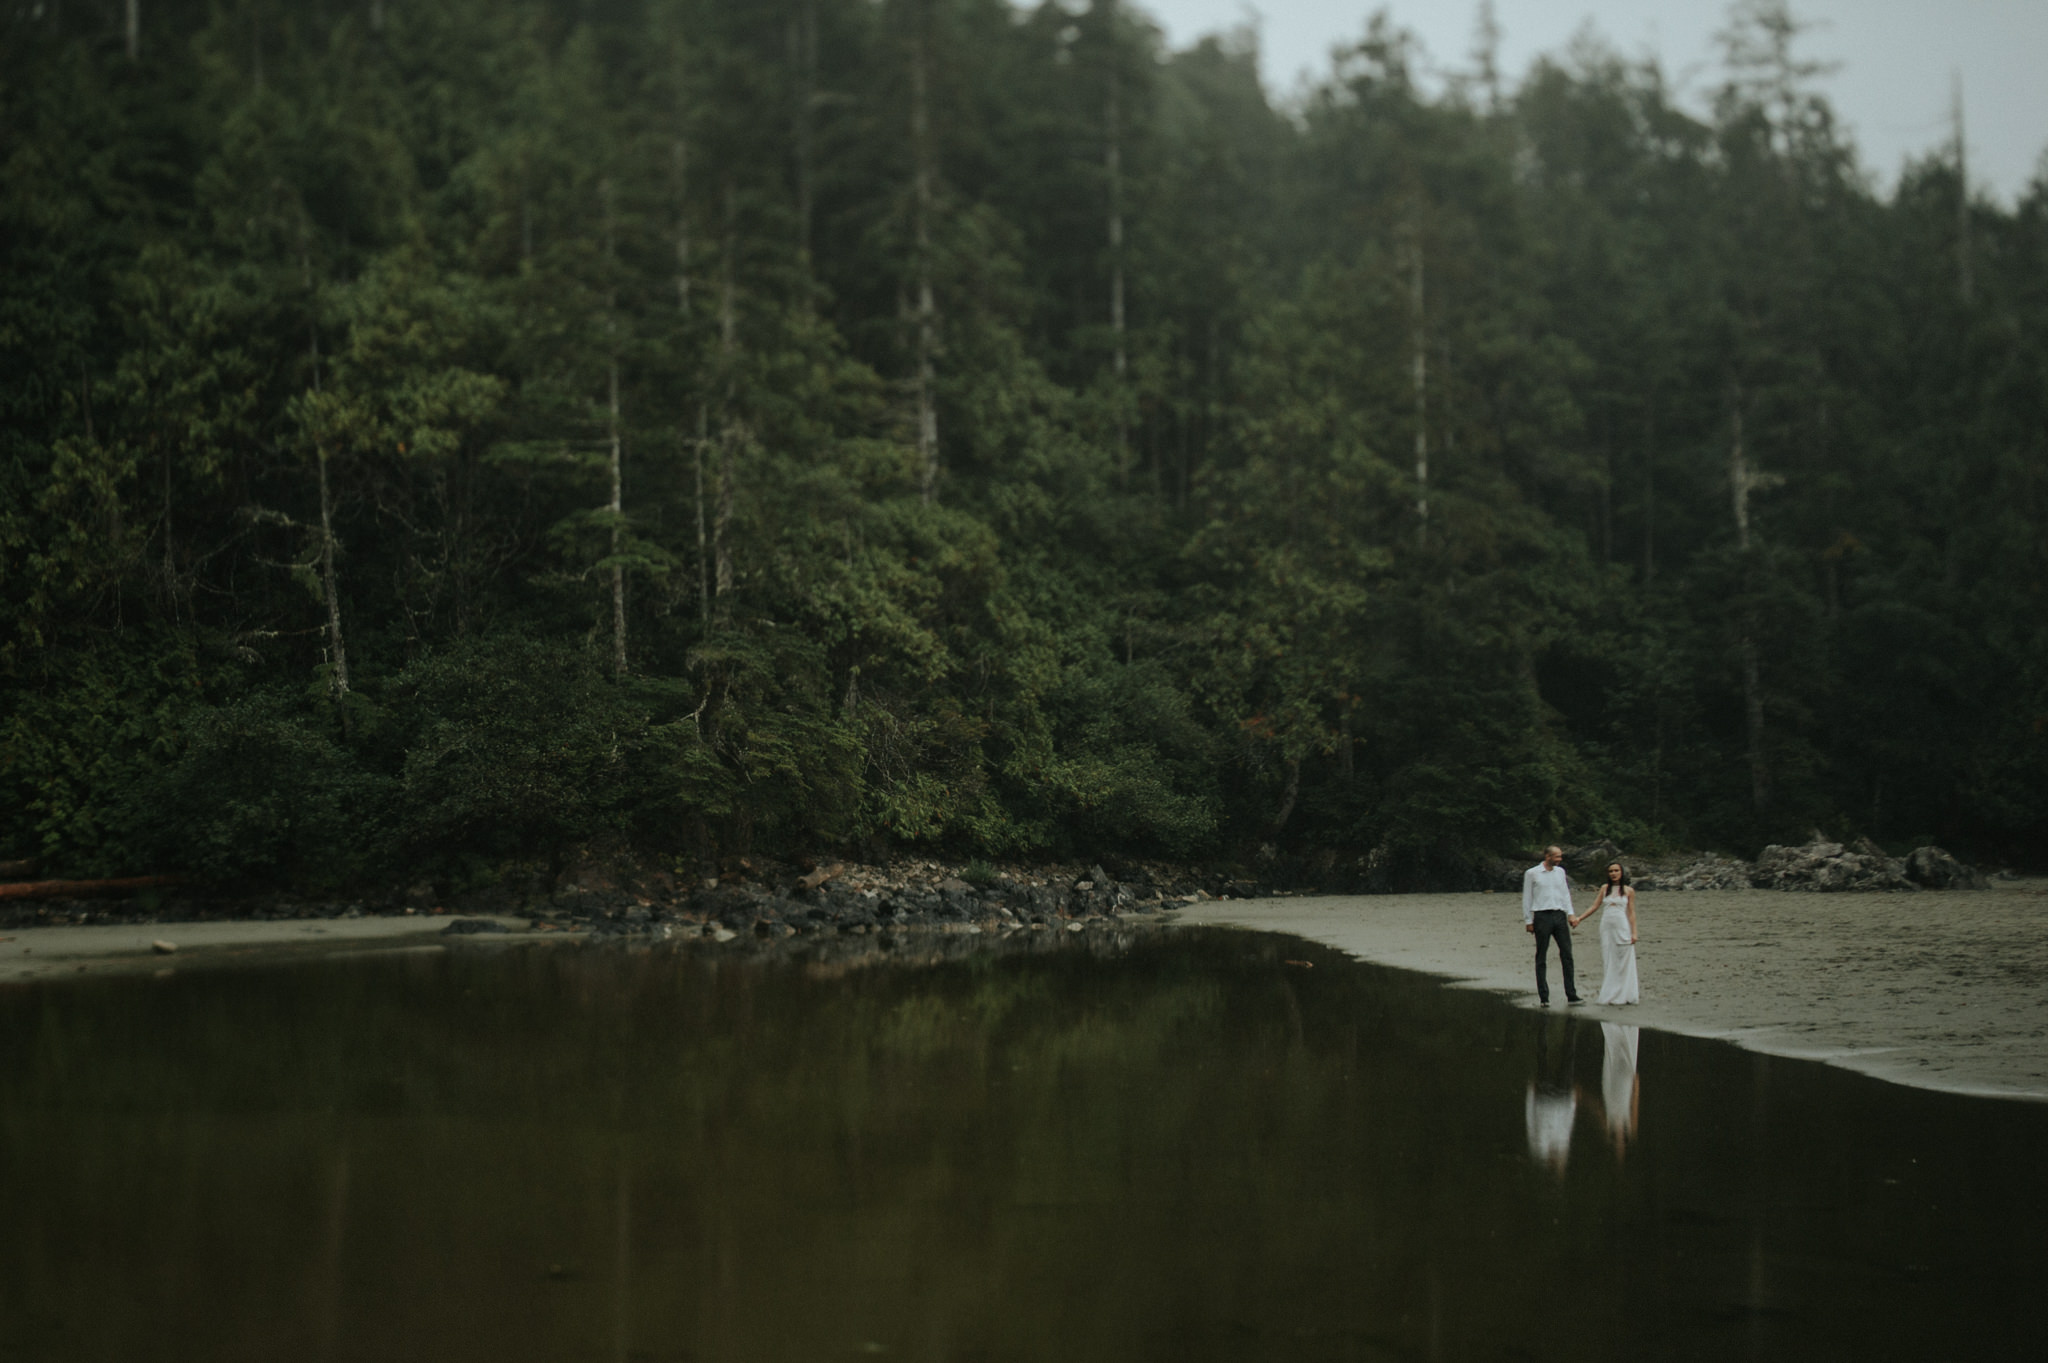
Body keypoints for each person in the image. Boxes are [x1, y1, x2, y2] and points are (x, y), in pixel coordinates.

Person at [1571, 861, 1639, 1005]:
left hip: (1622, 926)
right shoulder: (1604, 888)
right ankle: (1611, 993)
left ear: (1622, 873)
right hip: (1606, 927)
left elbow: (1631, 912)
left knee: (1623, 959)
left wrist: (1634, 932)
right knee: (1609, 958)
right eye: (1611, 871)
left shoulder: (1628, 891)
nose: (1614, 874)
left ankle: (1625, 993)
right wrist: (1579, 918)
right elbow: (1594, 906)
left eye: (1616, 871)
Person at [1521, 845, 1580, 1005]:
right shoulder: (1532, 873)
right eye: (1557, 857)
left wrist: (1571, 914)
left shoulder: (1560, 872)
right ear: (1547, 856)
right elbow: (1527, 897)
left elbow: (1565, 894)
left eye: (1560, 856)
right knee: (1542, 956)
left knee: (1567, 954)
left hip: (1559, 914)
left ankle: (1571, 993)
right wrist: (1528, 920)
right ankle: (1544, 996)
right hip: (1542, 915)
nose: (1560, 859)